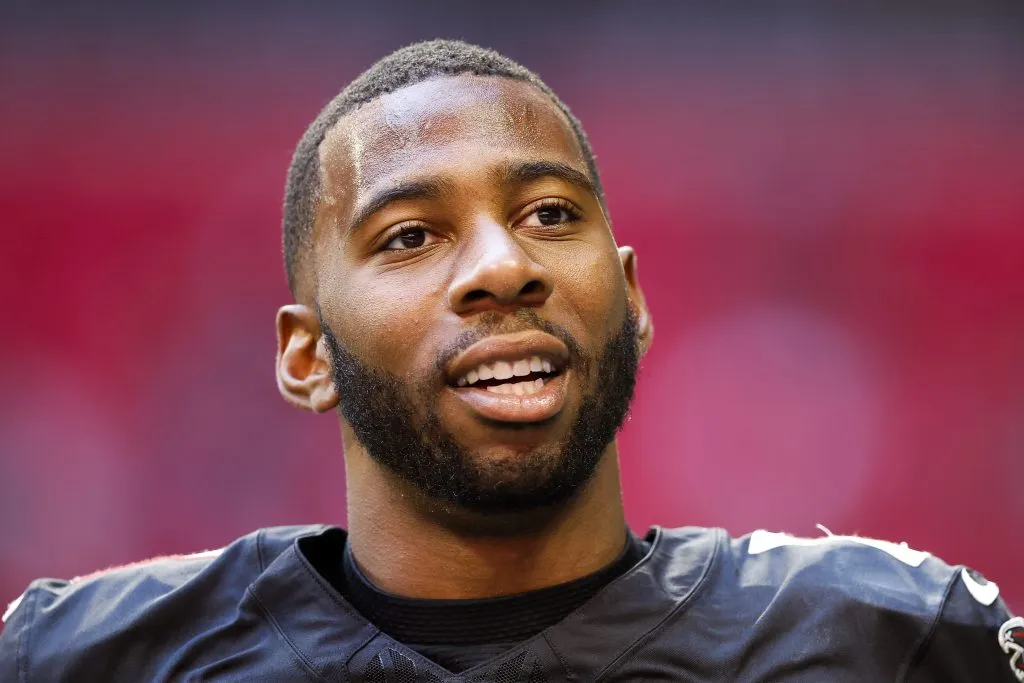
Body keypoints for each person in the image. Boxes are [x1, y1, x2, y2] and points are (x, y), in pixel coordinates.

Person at [0, 39, 1019, 682]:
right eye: (409, 234)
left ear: (631, 297)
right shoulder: (84, 657)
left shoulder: (893, 641)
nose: (502, 266)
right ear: (306, 354)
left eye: (547, 215)